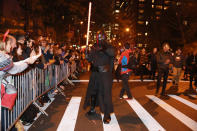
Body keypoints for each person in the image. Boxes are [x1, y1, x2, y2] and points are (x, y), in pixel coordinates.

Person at [83, 31, 115, 124]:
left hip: (105, 73)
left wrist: (103, 47)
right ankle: (92, 109)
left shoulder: (108, 46)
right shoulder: (94, 47)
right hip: (95, 73)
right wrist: (87, 55)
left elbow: (112, 53)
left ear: (104, 37)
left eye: (101, 37)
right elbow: (91, 58)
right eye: (98, 37)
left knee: (105, 94)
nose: (100, 38)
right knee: (94, 91)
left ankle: (107, 114)